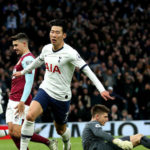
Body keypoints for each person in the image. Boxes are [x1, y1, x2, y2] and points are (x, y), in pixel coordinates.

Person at [13, 19, 114, 150]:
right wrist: (23, 72)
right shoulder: (46, 49)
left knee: (60, 130)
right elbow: (37, 61)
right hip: (45, 90)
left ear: (64, 35)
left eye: (57, 32)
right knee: (30, 115)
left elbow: (87, 70)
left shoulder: (71, 53)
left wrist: (101, 89)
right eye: (52, 32)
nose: (53, 35)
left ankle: (67, 143)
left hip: (61, 96)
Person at [0, 33, 57, 150]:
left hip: (20, 100)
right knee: (12, 132)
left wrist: (22, 101)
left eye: (16, 45)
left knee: (18, 132)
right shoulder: (21, 59)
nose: (14, 48)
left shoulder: (29, 59)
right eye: (13, 45)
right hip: (12, 99)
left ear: (24, 43)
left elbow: (29, 82)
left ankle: (48, 142)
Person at [82, 104, 150, 150]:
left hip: (102, 147)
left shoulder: (89, 126)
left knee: (138, 137)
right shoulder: (92, 124)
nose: (107, 119)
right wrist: (116, 141)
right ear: (97, 116)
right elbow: (99, 133)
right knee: (139, 137)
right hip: (102, 148)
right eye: (105, 117)